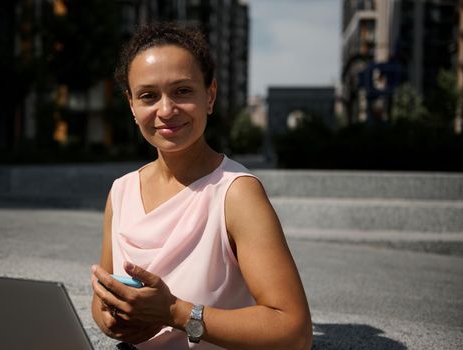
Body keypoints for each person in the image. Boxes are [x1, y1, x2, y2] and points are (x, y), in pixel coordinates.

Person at [91, 22, 312, 350]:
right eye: (149, 96)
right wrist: (110, 319)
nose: (166, 110)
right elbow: (103, 299)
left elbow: (294, 332)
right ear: (132, 106)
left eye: (182, 91)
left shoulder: (236, 193)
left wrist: (175, 313)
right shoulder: (121, 191)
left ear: (209, 95)